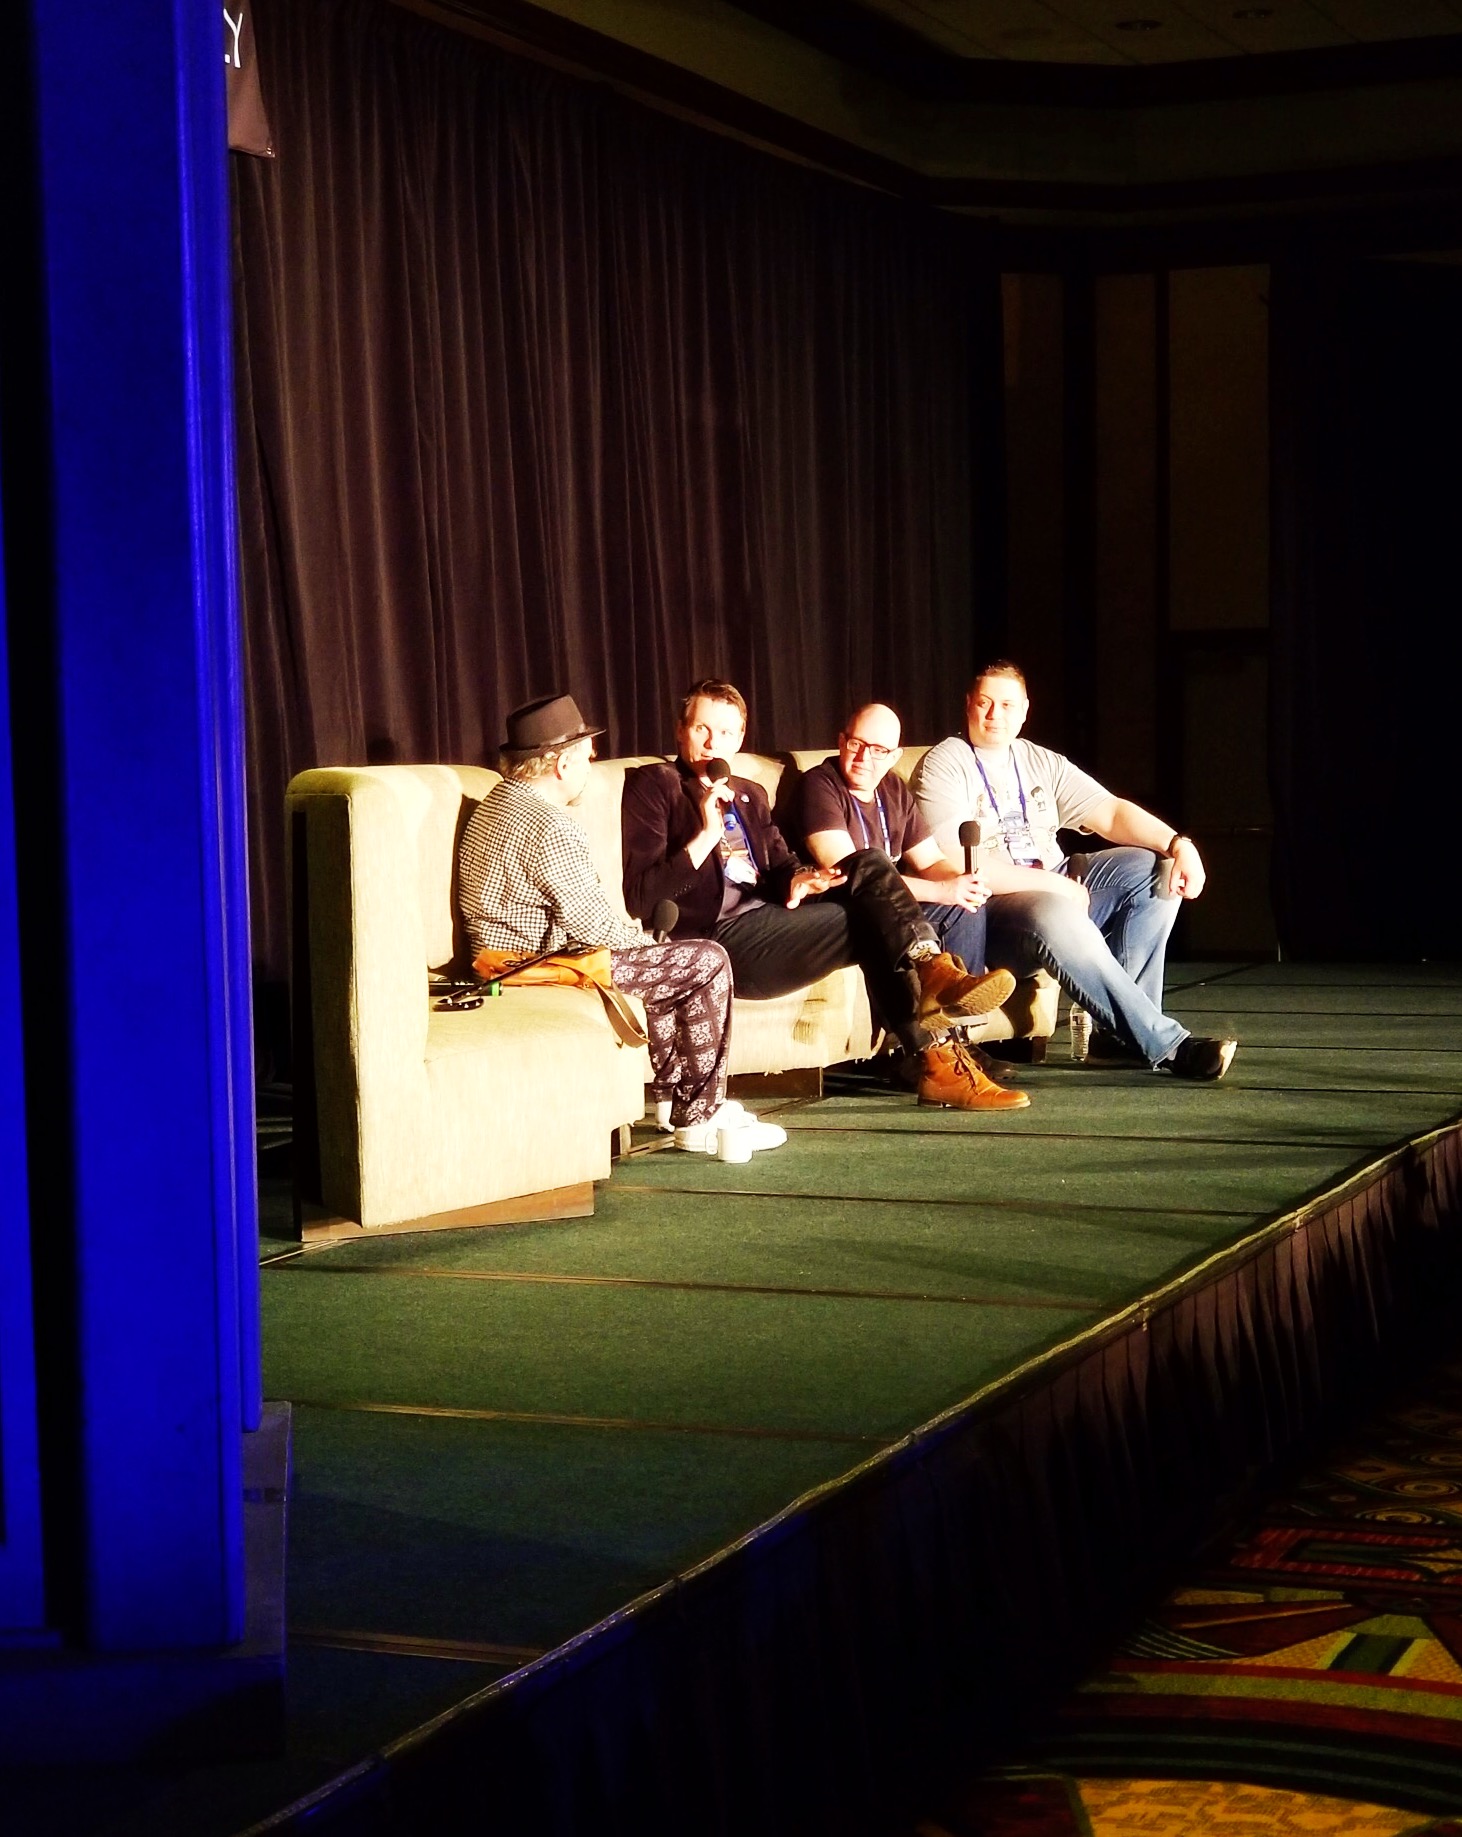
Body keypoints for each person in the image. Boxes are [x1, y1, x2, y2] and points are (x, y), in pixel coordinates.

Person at [620, 679, 1028, 1112]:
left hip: (771, 922)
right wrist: (704, 837)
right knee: (869, 919)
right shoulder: (656, 786)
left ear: (739, 738)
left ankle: (932, 989)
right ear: (680, 730)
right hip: (716, 941)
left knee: (868, 862)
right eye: (701, 729)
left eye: (724, 732)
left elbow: (780, 864)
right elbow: (641, 897)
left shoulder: (749, 794)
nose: (711, 743)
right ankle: (937, 1042)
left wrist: (800, 880)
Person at [457, 692, 785, 1154]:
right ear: (561, 764)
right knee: (705, 960)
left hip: (507, 961)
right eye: (586, 756)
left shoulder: (498, 803)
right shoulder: (549, 825)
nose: (592, 762)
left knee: (673, 960)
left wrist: (654, 948)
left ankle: (672, 1103)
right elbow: (593, 927)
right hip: (533, 967)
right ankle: (702, 1117)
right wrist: (649, 945)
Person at [911, 662, 1238, 1080]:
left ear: (1025, 710)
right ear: (968, 705)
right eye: (985, 703)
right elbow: (955, 861)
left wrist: (1178, 844)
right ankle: (1167, 1045)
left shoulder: (1038, 760)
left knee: (1153, 870)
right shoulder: (945, 763)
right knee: (1052, 907)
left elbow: (1111, 812)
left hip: (1057, 882)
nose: (995, 715)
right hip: (997, 908)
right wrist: (1056, 885)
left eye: (1007, 705)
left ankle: (1117, 1038)